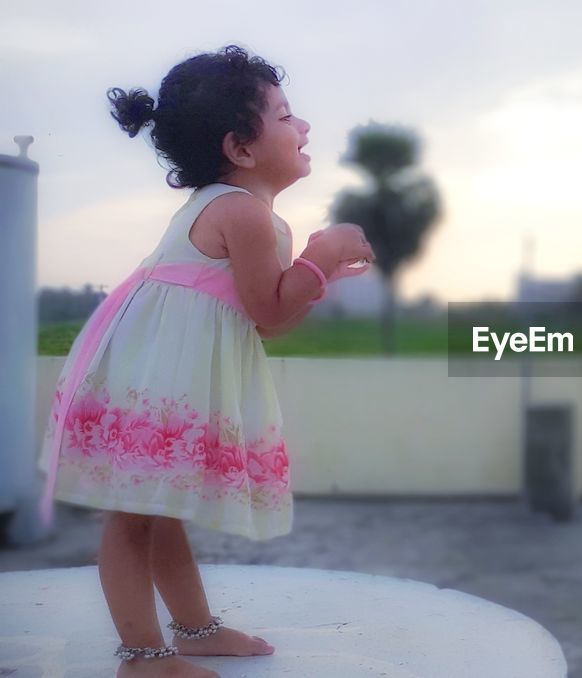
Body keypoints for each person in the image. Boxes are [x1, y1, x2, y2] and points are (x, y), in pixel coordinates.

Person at [34, 44, 376, 678]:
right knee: (133, 517)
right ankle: (142, 658)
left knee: (155, 510)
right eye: (285, 115)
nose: (303, 128)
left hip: (157, 375)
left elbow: (263, 318)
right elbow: (272, 312)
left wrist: (315, 270)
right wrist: (320, 258)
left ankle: (193, 630)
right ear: (241, 149)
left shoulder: (237, 209)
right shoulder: (242, 212)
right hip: (156, 382)